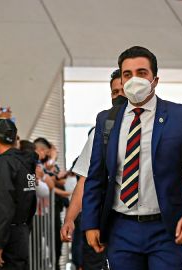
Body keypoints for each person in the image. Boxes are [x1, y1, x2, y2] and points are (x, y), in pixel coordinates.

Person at [81, 46, 182, 270]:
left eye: (142, 73)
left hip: (167, 228)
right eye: (127, 74)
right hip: (121, 228)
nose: (134, 80)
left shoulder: (180, 117)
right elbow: (96, 177)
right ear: (121, 81)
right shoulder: (106, 121)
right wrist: (90, 223)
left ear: (155, 79)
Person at [61, 69, 126, 270]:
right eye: (115, 93)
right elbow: (85, 180)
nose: (119, 96)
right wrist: (70, 218)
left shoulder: (154, 128)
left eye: (123, 91)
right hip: (107, 221)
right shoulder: (103, 129)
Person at [0, 119, 37, 269]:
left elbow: (3, 204)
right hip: (21, 231)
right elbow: (32, 196)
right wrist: (26, 227)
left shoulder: (3, 163)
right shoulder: (27, 161)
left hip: (6, 235)